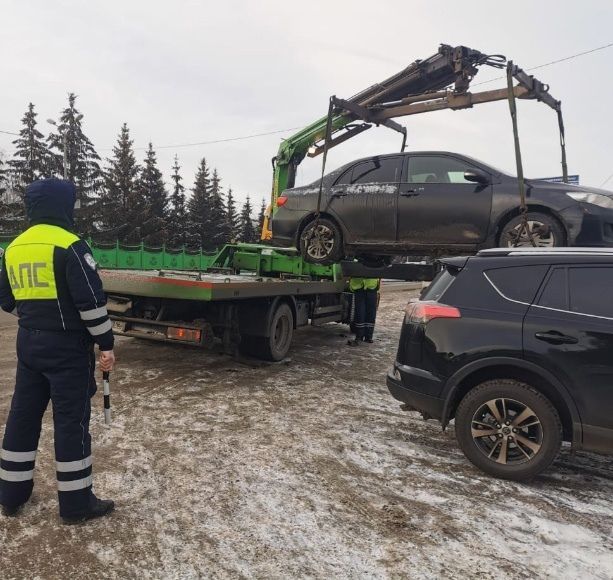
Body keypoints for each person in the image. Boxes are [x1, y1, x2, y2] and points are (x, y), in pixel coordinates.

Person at [0, 178, 115, 524]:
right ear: (64, 205)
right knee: (71, 423)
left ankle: (10, 494)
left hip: (29, 344)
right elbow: (91, 304)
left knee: (22, 416)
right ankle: (77, 504)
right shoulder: (71, 245)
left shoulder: (14, 247)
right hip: (67, 350)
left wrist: (36, 316)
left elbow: (6, 299)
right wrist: (106, 344)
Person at [347, 277, 380, 346]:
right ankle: (360, 336)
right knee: (360, 313)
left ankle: (368, 336)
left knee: (371, 313)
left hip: (370, 287)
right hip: (360, 287)